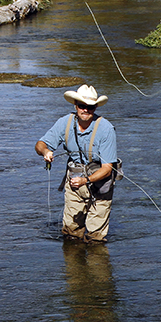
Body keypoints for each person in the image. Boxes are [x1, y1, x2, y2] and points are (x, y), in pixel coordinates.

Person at [36, 84, 118, 242]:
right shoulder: (64, 123)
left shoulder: (106, 129)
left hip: (101, 183)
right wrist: (46, 152)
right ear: (75, 105)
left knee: (96, 238)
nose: (86, 110)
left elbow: (108, 169)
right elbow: (40, 144)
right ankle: (74, 267)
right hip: (75, 181)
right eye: (82, 106)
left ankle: (96, 265)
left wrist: (85, 180)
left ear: (95, 108)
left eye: (91, 107)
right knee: (71, 234)